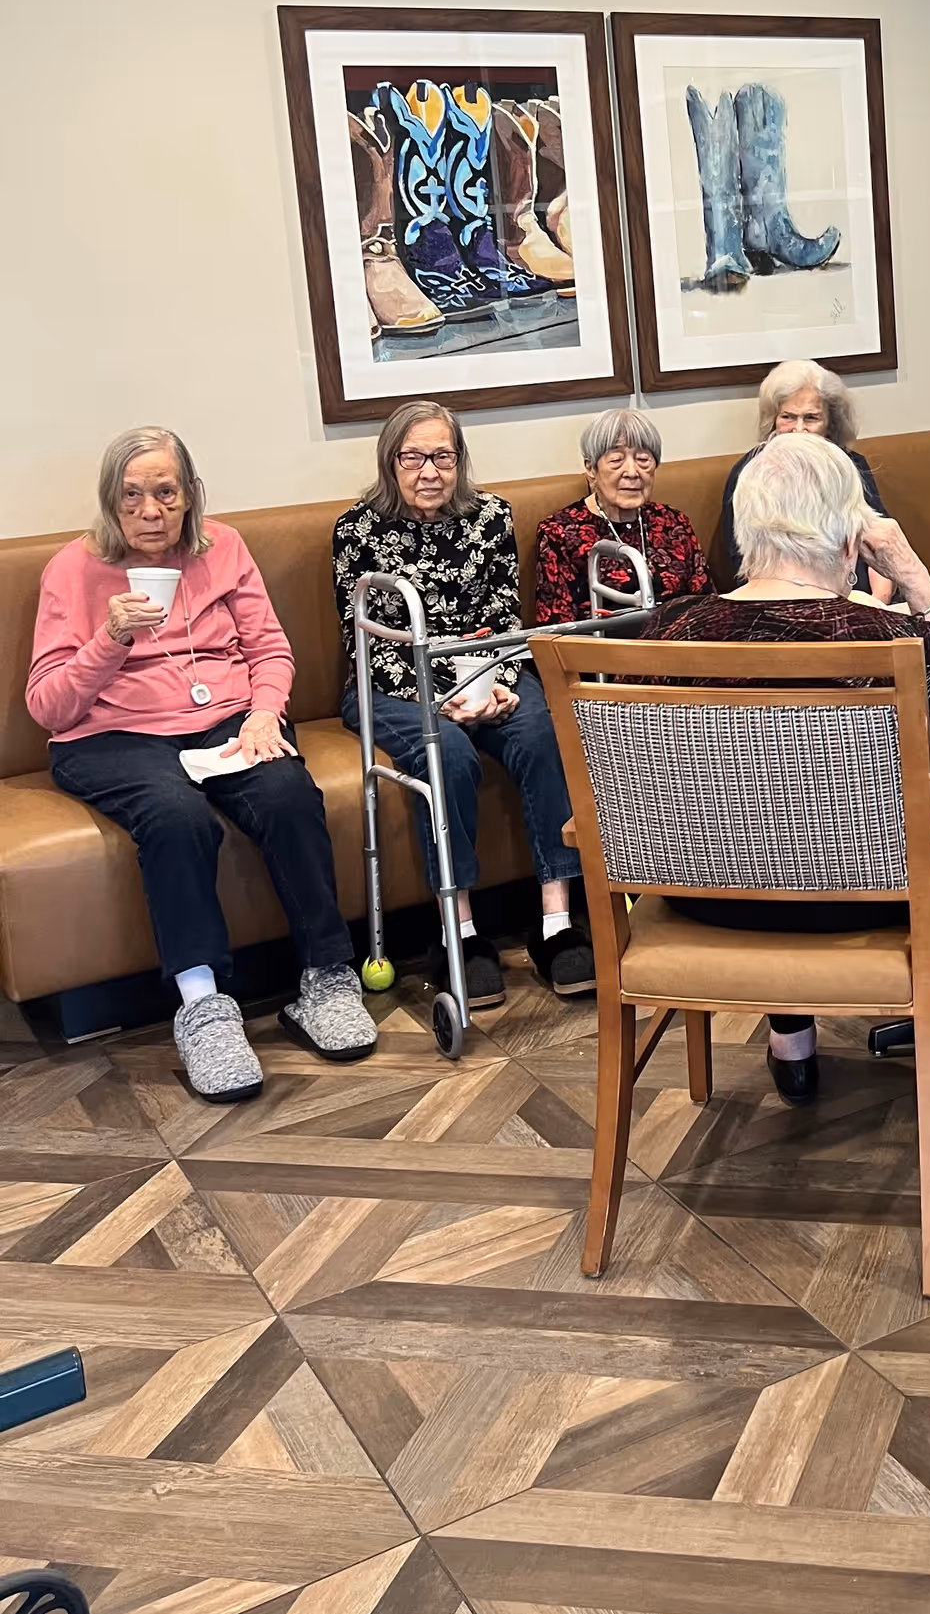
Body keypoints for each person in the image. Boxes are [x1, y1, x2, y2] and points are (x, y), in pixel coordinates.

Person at [641, 433, 930, 1103]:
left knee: (755, 805)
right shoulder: (883, 639)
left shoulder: (670, 632)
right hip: (864, 896)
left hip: (701, 891)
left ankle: (791, 1044)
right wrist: (916, 578)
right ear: (848, 542)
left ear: (746, 535)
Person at [29, 426, 378, 1102]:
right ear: (111, 501)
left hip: (226, 721)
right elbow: (50, 707)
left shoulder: (224, 549)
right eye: (132, 496)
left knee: (287, 793)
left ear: (190, 495)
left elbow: (269, 651)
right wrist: (110, 638)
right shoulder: (73, 570)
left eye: (166, 492)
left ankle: (327, 976)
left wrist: (264, 713)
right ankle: (203, 1007)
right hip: (112, 737)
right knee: (176, 816)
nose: (151, 511)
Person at [333, 401, 593, 1003]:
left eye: (443, 457)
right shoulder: (357, 531)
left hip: (487, 672)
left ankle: (556, 923)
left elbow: (504, 616)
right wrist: (443, 698)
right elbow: (364, 643)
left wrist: (501, 680)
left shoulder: (491, 516)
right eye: (414, 457)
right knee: (446, 754)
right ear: (391, 462)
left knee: (543, 733)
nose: (430, 471)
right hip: (393, 685)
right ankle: (460, 931)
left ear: (460, 461)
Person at [713, 359, 895, 602]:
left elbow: (879, 540)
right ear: (773, 420)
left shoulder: (851, 465)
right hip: (783, 603)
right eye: (788, 417)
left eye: (811, 418)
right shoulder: (750, 473)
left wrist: (878, 603)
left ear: (831, 423)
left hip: (860, 598)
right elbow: (746, 563)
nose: (798, 429)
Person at [533, 406, 713, 624]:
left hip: (680, 648)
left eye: (643, 459)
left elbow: (706, 608)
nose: (632, 472)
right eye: (616, 460)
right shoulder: (559, 533)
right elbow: (557, 631)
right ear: (591, 468)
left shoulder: (674, 523)